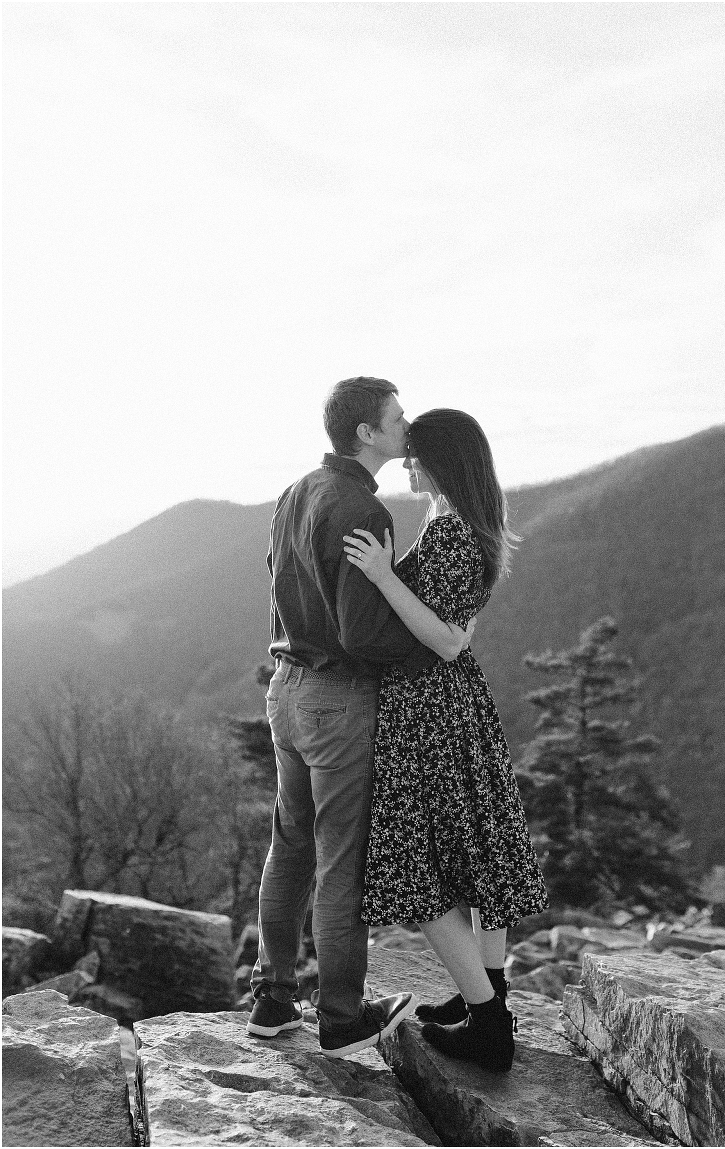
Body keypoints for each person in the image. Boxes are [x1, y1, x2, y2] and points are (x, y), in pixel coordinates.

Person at [248, 378, 474, 1059]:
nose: (407, 425)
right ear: (368, 433)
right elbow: (363, 633)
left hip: (284, 689)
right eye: (397, 417)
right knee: (340, 859)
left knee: (288, 847)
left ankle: (272, 999)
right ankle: (343, 1016)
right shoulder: (364, 510)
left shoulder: (296, 492)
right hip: (338, 698)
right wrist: (433, 639)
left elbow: (277, 576)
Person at [342, 408, 549, 1073]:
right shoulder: (467, 523)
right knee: (478, 855)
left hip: (431, 708)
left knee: (420, 866)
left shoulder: (453, 528)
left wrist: (381, 574)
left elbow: (448, 635)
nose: (407, 462)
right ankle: (485, 1000)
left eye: (416, 453)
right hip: (453, 704)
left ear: (441, 460)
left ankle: (489, 1024)